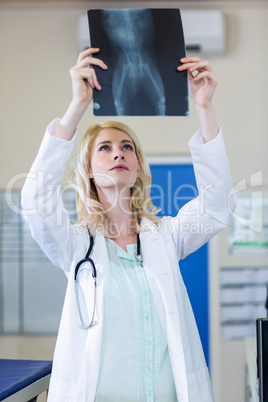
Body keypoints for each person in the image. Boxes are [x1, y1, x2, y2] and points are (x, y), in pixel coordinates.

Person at [21, 47, 237, 402]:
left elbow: (217, 205)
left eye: (127, 147)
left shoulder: (165, 237)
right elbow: (34, 200)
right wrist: (77, 105)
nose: (118, 153)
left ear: (137, 167)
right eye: (104, 148)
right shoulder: (76, 245)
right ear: (89, 170)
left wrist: (204, 107)